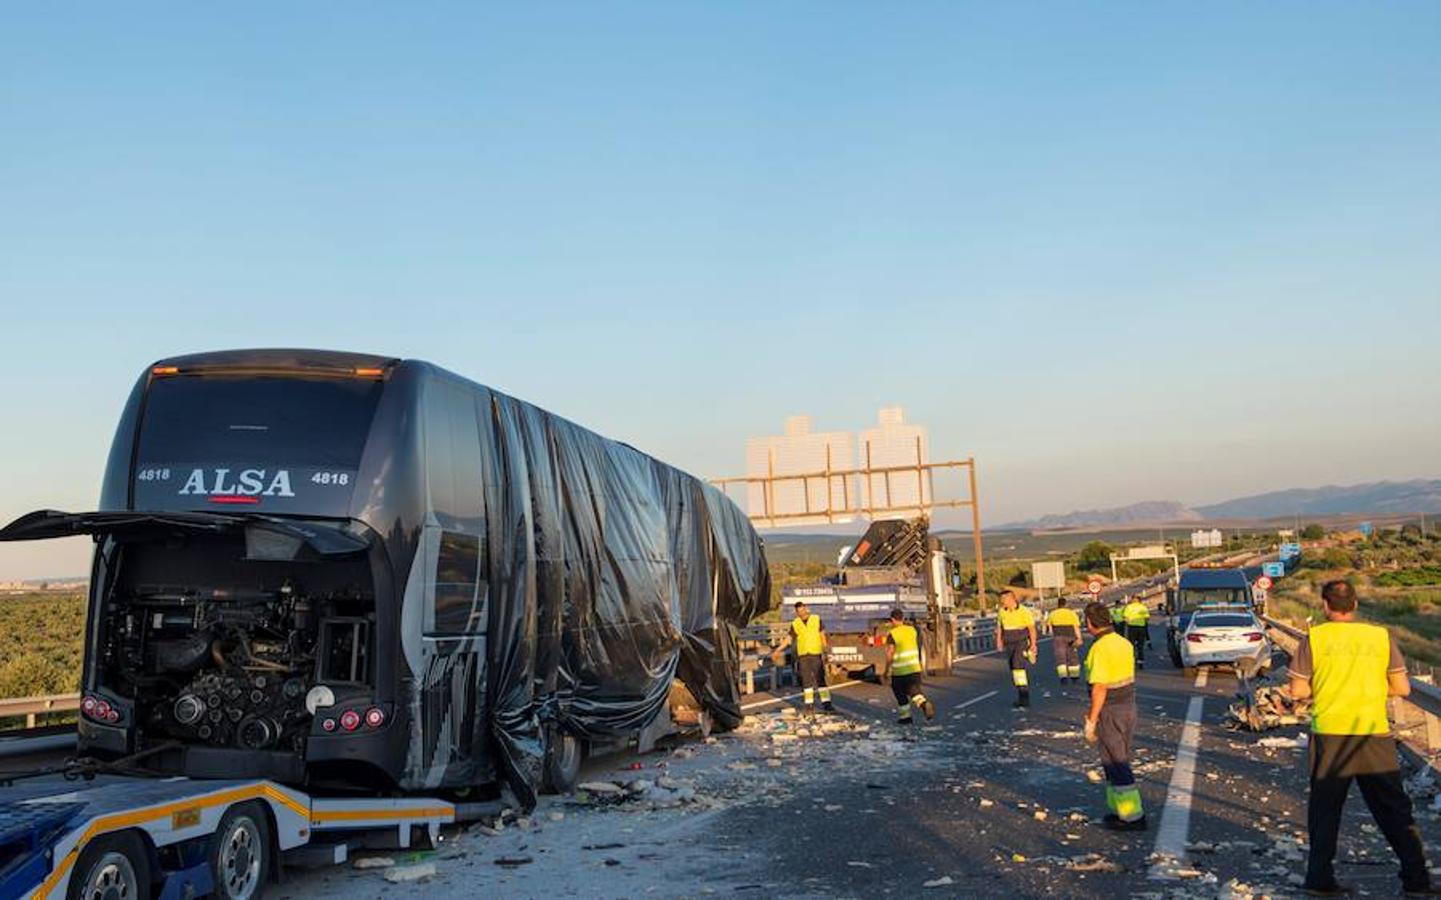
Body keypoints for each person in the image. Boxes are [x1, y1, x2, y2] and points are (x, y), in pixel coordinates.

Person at [1288, 580, 1435, 896]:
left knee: (1325, 810)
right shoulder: (1379, 637)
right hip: (1372, 734)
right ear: (1354, 605)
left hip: (1329, 734)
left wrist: (1327, 691)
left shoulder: (1315, 637)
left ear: (1325, 606)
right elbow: (1403, 688)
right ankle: (1417, 881)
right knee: (1394, 810)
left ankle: (1319, 879)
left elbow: (1298, 691)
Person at [1082, 600, 1145, 831]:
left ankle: (1133, 817)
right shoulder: (1123, 642)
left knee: (1117, 762)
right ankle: (1118, 810)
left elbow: (1100, 688)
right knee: (1112, 759)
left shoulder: (1099, 648)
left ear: (1089, 622)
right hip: (1129, 706)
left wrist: (1091, 720)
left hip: (1110, 710)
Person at [885, 608, 936, 725]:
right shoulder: (912, 630)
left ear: (892, 620)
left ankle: (906, 717)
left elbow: (889, 653)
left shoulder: (892, 634)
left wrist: (886, 670)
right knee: (913, 691)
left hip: (899, 671)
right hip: (914, 669)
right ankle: (923, 704)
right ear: (903, 618)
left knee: (900, 694)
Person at [995, 591, 1038, 708]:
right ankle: (1020, 694)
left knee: (1017, 666)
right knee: (1013, 668)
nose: (1002, 602)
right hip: (1009, 643)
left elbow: (1031, 629)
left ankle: (1024, 696)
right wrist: (999, 641)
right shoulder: (1002, 611)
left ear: (1011, 599)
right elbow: (999, 627)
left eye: (1004, 600)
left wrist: (1033, 645)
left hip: (1021, 642)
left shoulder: (1024, 611)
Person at [1047, 597, 1083, 683]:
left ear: (1058, 604)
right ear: (1066, 604)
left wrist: (1052, 635)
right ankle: (1074, 676)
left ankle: (1063, 677)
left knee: (1060, 656)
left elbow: (1049, 627)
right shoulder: (1071, 613)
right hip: (1071, 636)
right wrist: (1079, 638)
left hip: (1058, 636)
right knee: (1072, 656)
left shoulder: (1053, 614)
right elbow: (1076, 627)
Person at [1122, 595, 1150, 668]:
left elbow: (1125, 617)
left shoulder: (1129, 607)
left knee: (1131, 645)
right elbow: (1147, 618)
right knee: (1140, 645)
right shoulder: (1143, 607)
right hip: (1141, 628)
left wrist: (1128, 623)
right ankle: (1140, 662)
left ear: (1133, 600)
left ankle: (1131, 660)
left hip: (1132, 628)